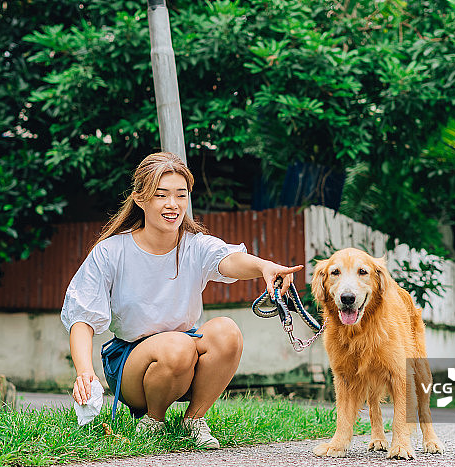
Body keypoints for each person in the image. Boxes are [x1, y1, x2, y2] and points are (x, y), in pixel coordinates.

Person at [61, 152, 302, 449]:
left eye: (180, 195)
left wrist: (264, 267)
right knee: (178, 346)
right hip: (131, 364)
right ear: (140, 199)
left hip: (184, 356)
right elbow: (82, 317)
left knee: (227, 331)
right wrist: (85, 372)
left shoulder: (195, 245)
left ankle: (194, 419)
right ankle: (154, 420)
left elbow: (229, 260)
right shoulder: (111, 252)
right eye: (161, 195)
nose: (172, 204)